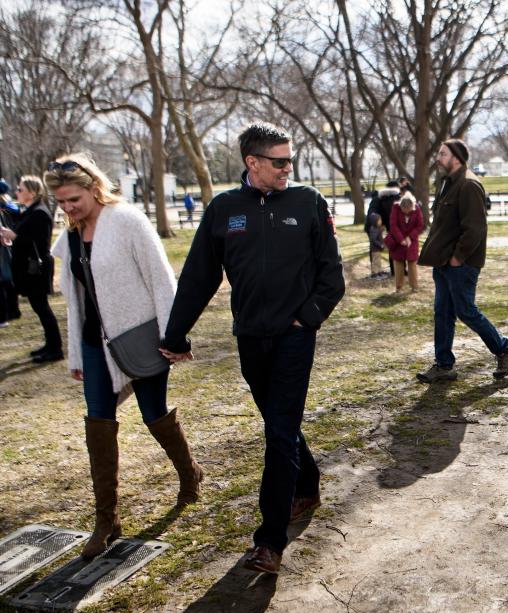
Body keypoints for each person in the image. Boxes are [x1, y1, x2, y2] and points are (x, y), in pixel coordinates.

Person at [160, 122, 345, 574]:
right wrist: (175, 333)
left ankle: (269, 541)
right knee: (279, 422)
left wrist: (308, 317)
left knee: (278, 433)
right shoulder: (225, 209)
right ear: (252, 163)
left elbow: (331, 274)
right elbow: (199, 276)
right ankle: (308, 483)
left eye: (290, 161)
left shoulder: (308, 202)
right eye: (279, 161)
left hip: (294, 337)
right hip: (250, 339)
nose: (288, 169)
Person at [43, 155, 203, 560]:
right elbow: (75, 303)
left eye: (73, 199)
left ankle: (189, 473)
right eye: (61, 202)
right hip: (95, 344)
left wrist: (173, 335)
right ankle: (106, 520)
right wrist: (77, 354)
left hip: (139, 338)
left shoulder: (128, 221)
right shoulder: (72, 235)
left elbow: (161, 280)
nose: (68, 208)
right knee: (98, 423)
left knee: (154, 414)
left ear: (94, 187)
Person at [416, 138, 508, 383]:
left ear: (457, 158)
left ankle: (505, 349)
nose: (438, 158)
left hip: (460, 264)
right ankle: (444, 366)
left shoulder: (469, 185)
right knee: (442, 313)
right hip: (442, 263)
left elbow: (475, 229)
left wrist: (457, 258)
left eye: (443, 154)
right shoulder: (447, 184)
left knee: (466, 311)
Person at [0, 176, 63, 361]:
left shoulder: (40, 213)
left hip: (37, 269)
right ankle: (50, 345)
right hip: (30, 268)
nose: (16, 192)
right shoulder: (30, 211)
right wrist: (11, 237)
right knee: (39, 308)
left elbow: (39, 243)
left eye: (20, 189)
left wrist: (15, 236)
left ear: (32, 192)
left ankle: (55, 348)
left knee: (42, 308)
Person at [389, 191, 425, 293]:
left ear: (412, 207)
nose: (406, 212)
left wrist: (410, 237)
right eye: (404, 210)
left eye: (408, 210)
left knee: (412, 262)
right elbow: (393, 225)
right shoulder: (395, 208)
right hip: (398, 240)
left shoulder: (417, 208)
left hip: (412, 240)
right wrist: (401, 239)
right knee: (398, 263)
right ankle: (399, 287)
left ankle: (414, 286)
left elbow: (420, 226)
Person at [0, 181, 20, 327]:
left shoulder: (7, 207)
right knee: (7, 278)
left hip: (4, 244)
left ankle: (5, 315)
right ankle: (13, 311)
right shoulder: (9, 205)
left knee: (4, 278)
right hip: (7, 245)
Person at [365, 207, 387, 279]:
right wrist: (380, 244)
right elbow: (374, 239)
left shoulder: (377, 229)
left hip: (377, 248)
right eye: (379, 220)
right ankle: (374, 272)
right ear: (375, 222)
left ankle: (379, 271)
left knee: (378, 260)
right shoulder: (373, 229)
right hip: (375, 248)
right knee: (375, 260)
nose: (380, 221)